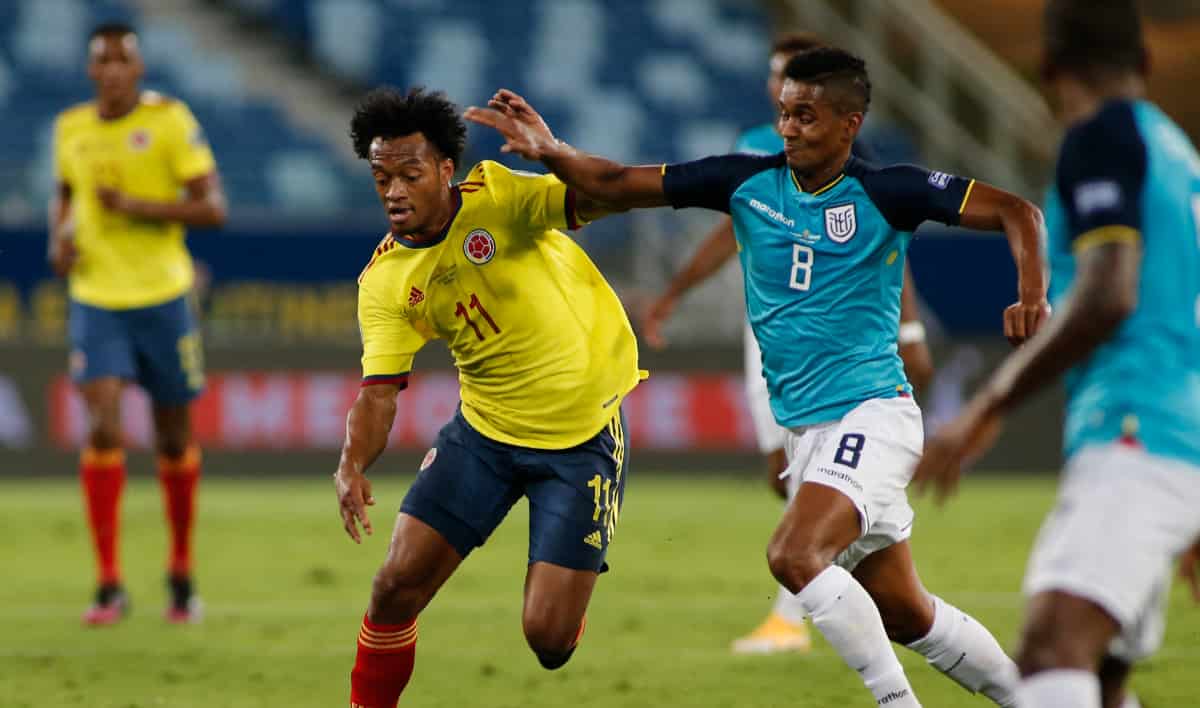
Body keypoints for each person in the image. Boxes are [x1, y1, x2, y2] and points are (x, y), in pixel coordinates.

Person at [467, 46, 1049, 707]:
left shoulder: (890, 193)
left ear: (849, 123)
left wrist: (1031, 293)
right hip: (809, 435)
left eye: (805, 115)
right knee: (907, 615)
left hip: (873, 416)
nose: (789, 129)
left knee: (795, 555)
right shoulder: (743, 180)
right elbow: (619, 181)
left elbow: (1018, 212)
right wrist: (551, 150)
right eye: (783, 113)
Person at [913, 2, 1200, 707]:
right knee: (1101, 676)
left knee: (1052, 650)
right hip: (1177, 426)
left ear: (1046, 68)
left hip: (1137, 425)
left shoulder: (1099, 136)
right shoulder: (1174, 151)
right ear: (1145, 63)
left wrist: (989, 402)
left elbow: (1108, 295)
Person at [335, 87, 643, 708]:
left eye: (409, 174)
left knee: (548, 641)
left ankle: (568, 599)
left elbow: (604, 195)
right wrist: (351, 462)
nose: (393, 190)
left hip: (579, 439)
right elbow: (378, 394)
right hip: (483, 437)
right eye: (381, 177)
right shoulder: (387, 279)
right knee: (394, 586)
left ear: (446, 170)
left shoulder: (498, 196)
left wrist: (554, 152)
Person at [640, 32, 934, 655]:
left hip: (840, 344)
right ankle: (829, 587)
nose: (781, 90)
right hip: (771, 339)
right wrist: (676, 292)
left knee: (812, 495)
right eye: (776, 79)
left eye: (792, 83)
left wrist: (908, 328)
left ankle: (794, 613)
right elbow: (728, 231)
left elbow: (883, 243)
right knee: (785, 473)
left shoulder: (853, 158)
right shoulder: (757, 151)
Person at [49, 22, 227, 625]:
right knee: (102, 426)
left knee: (173, 439)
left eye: (126, 59)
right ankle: (108, 584)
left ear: (140, 69)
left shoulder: (171, 122)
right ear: (92, 70)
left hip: (162, 297)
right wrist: (60, 240)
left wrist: (137, 208)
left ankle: (180, 572)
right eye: (105, 60)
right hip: (96, 298)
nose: (115, 69)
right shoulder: (70, 128)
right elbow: (67, 195)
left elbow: (213, 208)